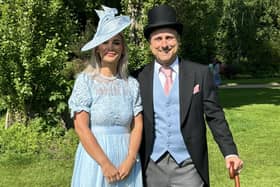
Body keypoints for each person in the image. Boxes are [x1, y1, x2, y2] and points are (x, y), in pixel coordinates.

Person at [137, 4, 243, 187]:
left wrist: (230, 152)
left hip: (189, 165)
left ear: (178, 40)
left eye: (169, 37)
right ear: (150, 44)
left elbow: (215, 116)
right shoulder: (138, 78)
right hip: (151, 166)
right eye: (158, 39)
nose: (164, 44)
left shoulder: (200, 74)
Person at [68, 5, 143, 187]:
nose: (111, 47)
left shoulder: (132, 84)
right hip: (96, 160)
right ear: (97, 49)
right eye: (105, 42)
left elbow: (137, 125)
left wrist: (131, 159)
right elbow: (81, 127)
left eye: (116, 42)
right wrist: (105, 163)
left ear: (123, 48)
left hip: (126, 160)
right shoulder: (85, 82)